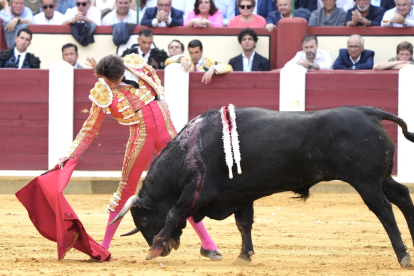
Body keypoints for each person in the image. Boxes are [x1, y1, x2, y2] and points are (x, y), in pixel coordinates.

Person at [57, 53, 222, 261]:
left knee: (184, 187)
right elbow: (89, 129)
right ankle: (103, 247)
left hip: (168, 133)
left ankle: (208, 244)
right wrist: (71, 154)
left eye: (112, 82)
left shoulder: (136, 64)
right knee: (125, 189)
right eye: (107, 82)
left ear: (121, 73)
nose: (110, 86)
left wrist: (182, 56)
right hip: (141, 137)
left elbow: (167, 59)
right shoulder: (103, 90)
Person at [165, 39, 233, 84]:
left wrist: (212, 69)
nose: (194, 55)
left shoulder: (209, 61)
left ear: (202, 51)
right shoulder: (185, 60)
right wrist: (181, 57)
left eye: (196, 52)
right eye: (191, 53)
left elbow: (229, 67)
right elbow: (167, 62)